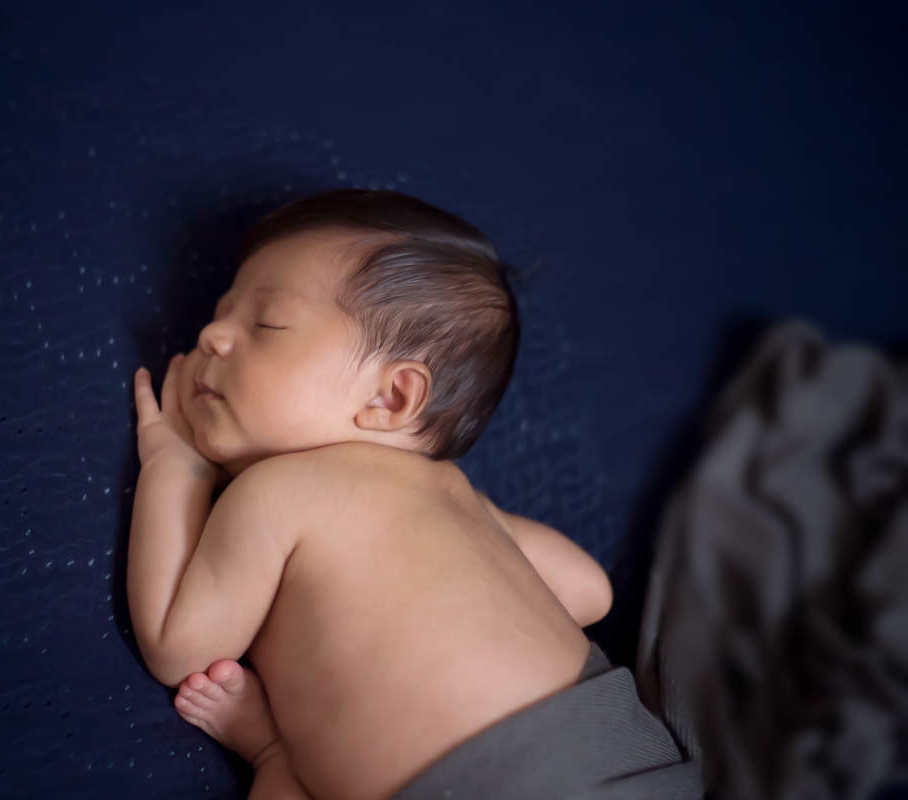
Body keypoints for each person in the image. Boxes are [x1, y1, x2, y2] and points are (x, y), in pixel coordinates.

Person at [128, 189, 700, 799]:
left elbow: (177, 645)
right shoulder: (462, 499)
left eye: (265, 324)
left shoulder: (281, 489)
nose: (213, 333)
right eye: (222, 311)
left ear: (391, 397)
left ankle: (278, 754)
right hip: (626, 754)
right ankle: (277, 753)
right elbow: (590, 590)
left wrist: (175, 466)